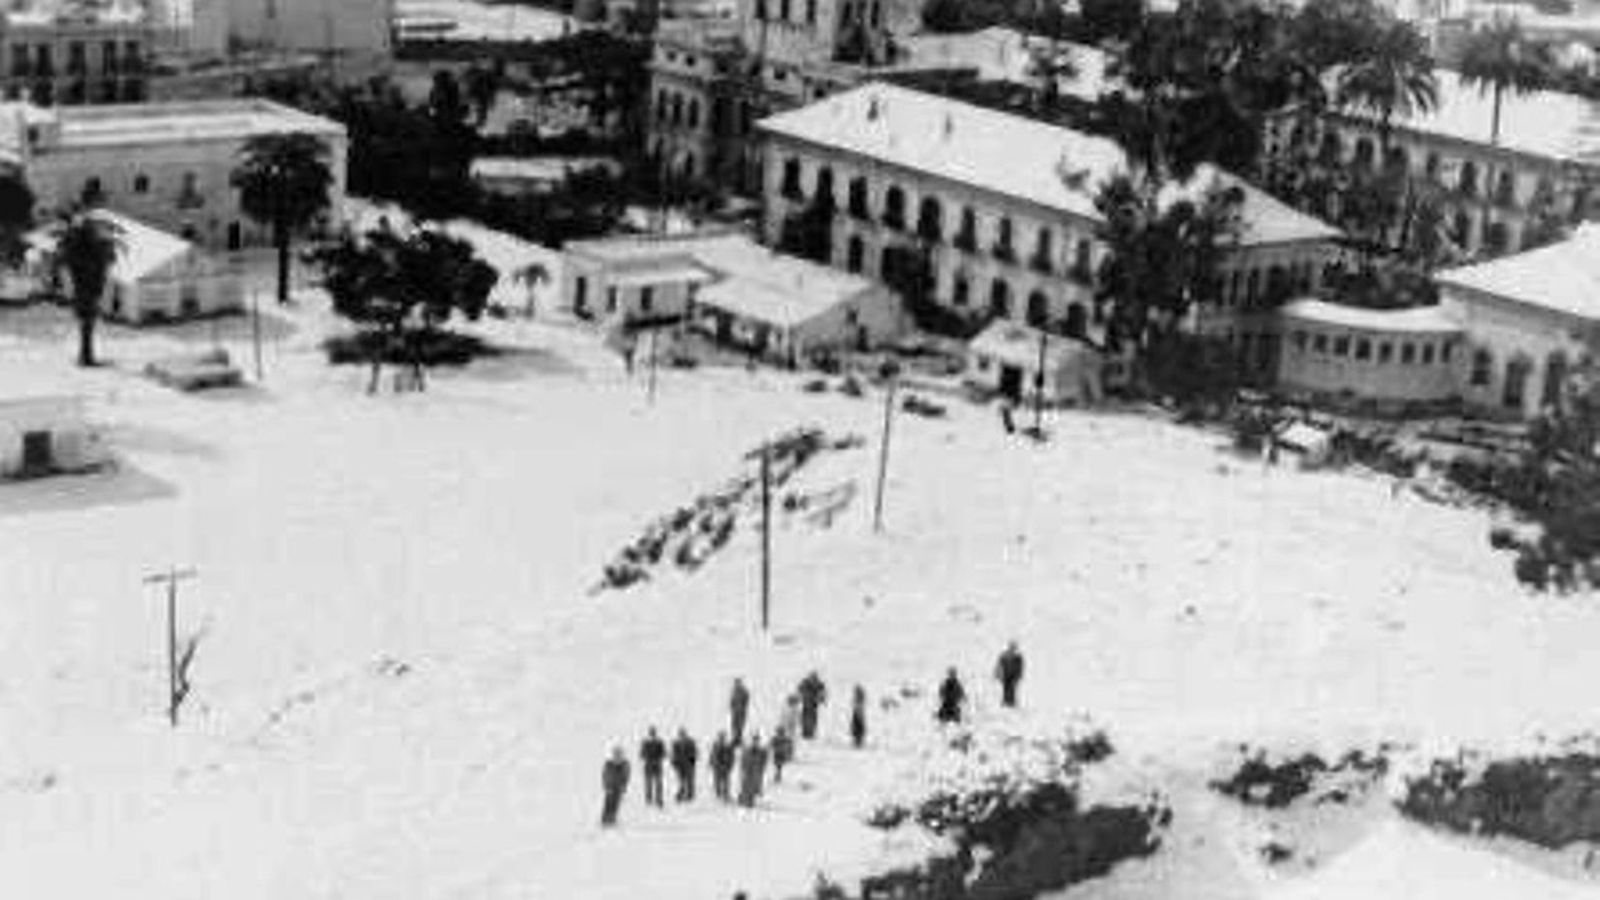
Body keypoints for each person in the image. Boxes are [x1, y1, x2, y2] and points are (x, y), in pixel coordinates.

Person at [601, 745, 630, 827]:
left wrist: (624, 786)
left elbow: (626, 776)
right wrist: (606, 785)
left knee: (615, 803)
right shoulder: (609, 764)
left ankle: (612, 819)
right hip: (610, 786)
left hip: (619, 787)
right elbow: (605, 775)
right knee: (608, 803)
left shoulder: (625, 764)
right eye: (616, 754)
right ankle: (605, 819)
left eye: (619, 754)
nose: (617, 756)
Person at [737, 733, 768, 807]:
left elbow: (764, 761)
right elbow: (743, 760)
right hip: (748, 770)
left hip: (756, 771)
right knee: (746, 786)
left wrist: (761, 769)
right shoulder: (747, 750)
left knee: (754, 786)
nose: (756, 742)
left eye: (757, 741)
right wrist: (743, 768)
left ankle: (749, 800)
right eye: (754, 740)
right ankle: (744, 799)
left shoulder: (761, 751)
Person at [640, 727, 667, 807]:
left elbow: (664, 753)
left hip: (657, 765)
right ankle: (649, 799)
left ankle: (659, 799)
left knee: (658, 783)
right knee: (649, 783)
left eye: (653, 733)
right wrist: (648, 758)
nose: (652, 734)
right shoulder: (645, 743)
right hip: (649, 766)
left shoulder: (660, 742)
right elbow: (642, 754)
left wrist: (658, 758)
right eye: (651, 733)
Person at [797, 671, 828, 740]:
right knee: (805, 719)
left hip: (813, 705)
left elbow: (822, 693)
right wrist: (800, 697)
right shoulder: (805, 683)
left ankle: (810, 733)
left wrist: (822, 699)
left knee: (812, 719)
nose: (813, 680)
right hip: (806, 704)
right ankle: (805, 733)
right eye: (812, 678)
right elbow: (800, 690)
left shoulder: (819, 685)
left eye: (814, 678)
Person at [671, 728, 699, 803]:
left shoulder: (690, 742)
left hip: (688, 764)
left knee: (690, 781)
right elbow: (674, 754)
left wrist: (692, 761)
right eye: (680, 734)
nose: (682, 736)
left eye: (683, 734)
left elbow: (694, 752)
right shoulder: (676, 743)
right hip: (680, 765)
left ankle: (690, 795)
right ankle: (681, 793)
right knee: (681, 781)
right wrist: (674, 763)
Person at [995, 642, 1025, 708]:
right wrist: (998, 674)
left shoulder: (1018, 657)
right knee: (1006, 688)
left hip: (1013, 676)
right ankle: (1006, 701)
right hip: (1006, 675)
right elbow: (999, 665)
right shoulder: (1004, 656)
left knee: (1012, 688)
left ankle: (1011, 702)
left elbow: (1020, 667)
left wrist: (1019, 675)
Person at [710, 732, 735, 801]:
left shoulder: (728, 746)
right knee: (717, 781)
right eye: (721, 737)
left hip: (726, 767)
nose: (722, 739)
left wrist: (730, 765)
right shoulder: (715, 745)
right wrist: (713, 764)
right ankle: (718, 794)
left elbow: (732, 756)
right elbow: (713, 756)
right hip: (717, 767)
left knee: (726, 781)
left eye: (723, 737)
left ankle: (725, 794)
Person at [729, 678, 751, 745]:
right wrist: (732, 708)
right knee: (734, 725)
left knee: (740, 725)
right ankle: (735, 737)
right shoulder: (734, 691)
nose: (736, 685)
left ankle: (738, 737)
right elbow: (732, 702)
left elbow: (746, 699)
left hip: (741, 711)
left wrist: (742, 706)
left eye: (738, 683)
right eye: (736, 683)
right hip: (735, 711)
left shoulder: (744, 691)